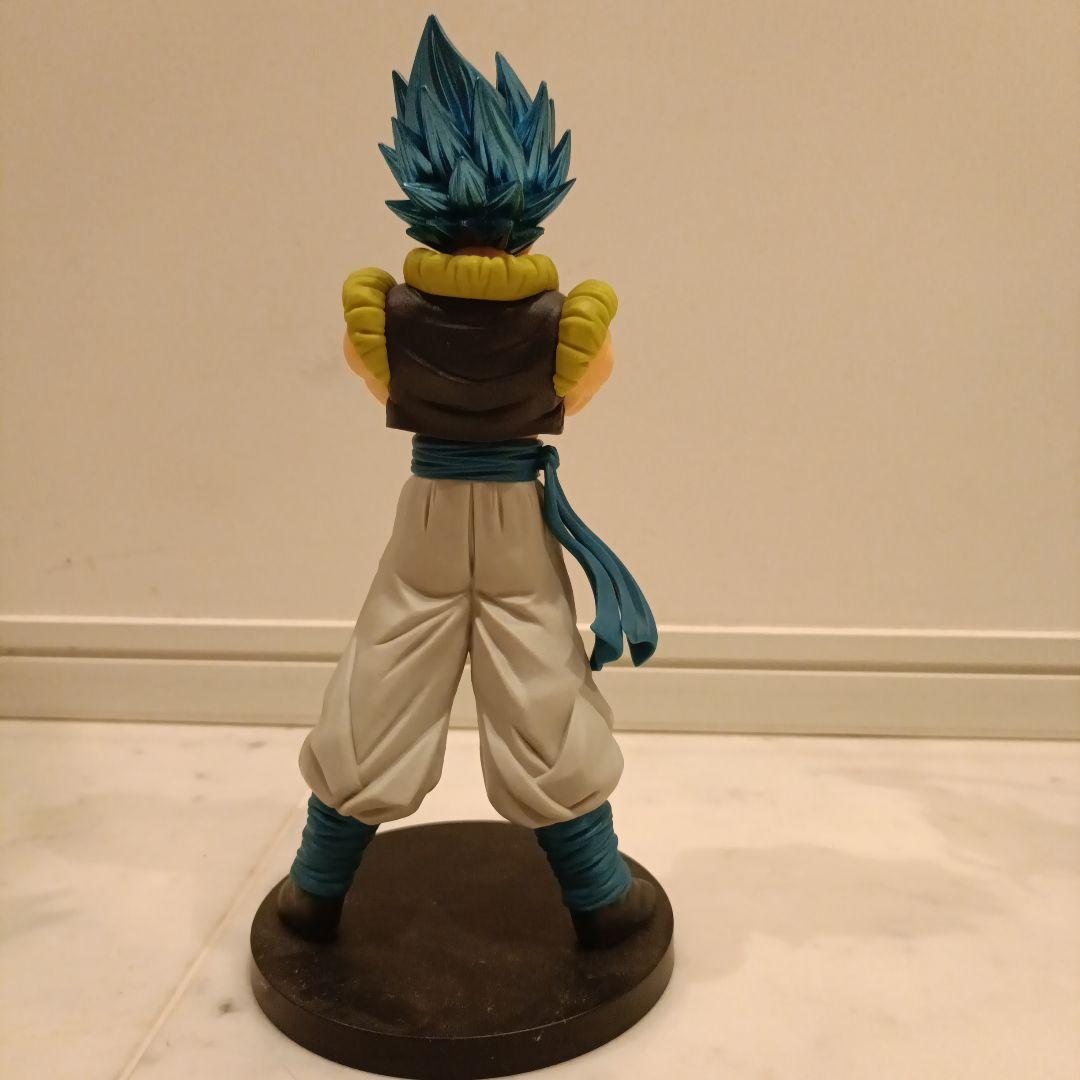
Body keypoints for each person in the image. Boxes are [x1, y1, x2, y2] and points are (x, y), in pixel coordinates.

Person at [278, 14, 658, 950]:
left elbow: (379, 382)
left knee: (384, 672)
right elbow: (584, 389)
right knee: (541, 681)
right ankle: (598, 899)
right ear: (537, 196)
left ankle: (315, 891)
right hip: (515, 517)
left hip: (431, 515)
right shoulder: (573, 324)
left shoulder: (381, 315)